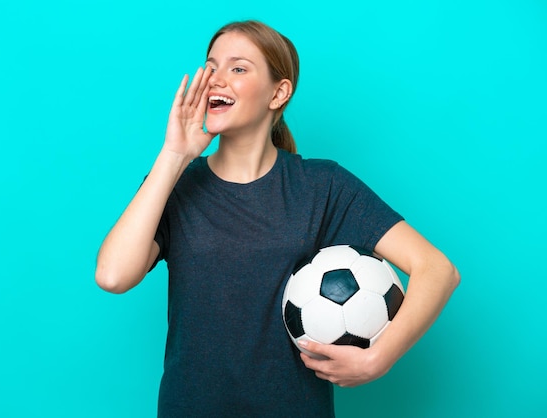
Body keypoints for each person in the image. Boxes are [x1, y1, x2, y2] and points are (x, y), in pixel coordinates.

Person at [95, 20, 460, 418]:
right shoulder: (176, 184)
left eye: (238, 68)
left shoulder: (321, 185)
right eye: (211, 66)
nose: (217, 79)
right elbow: (113, 276)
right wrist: (173, 155)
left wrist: (380, 358)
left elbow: (437, 269)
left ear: (278, 92)